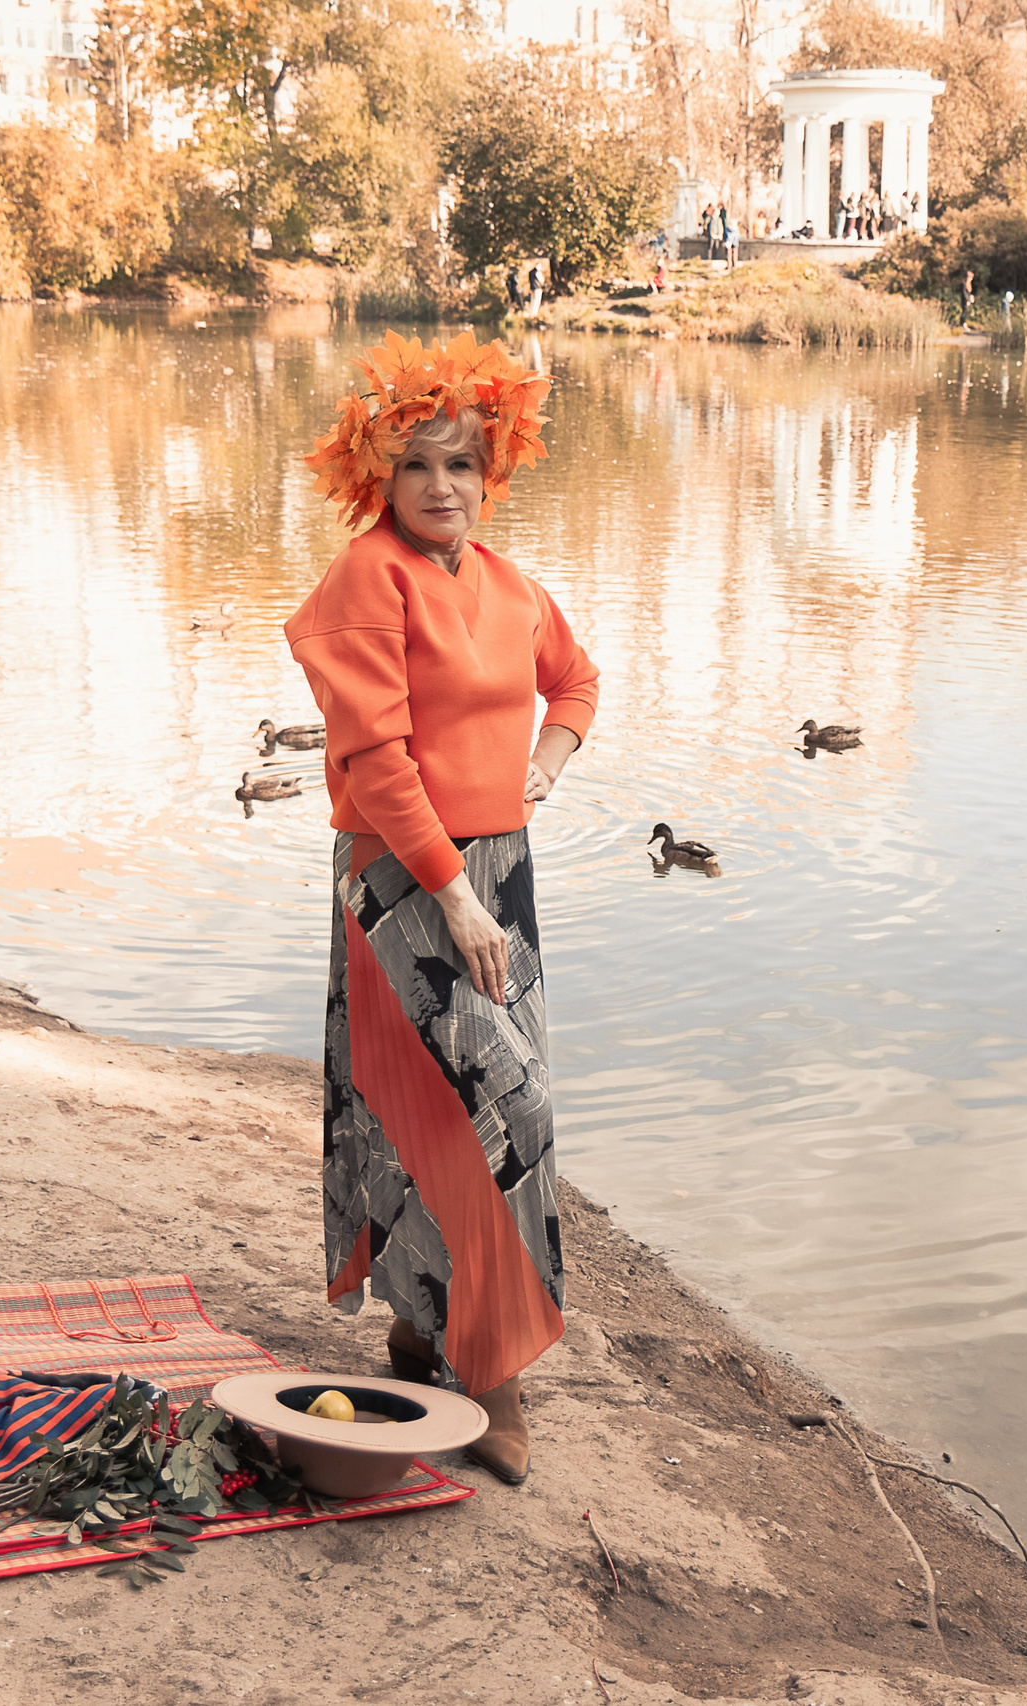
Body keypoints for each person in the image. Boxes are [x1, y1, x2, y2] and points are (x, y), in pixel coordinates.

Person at [289, 333, 599, 1486]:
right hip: (403, 877)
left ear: (491, 470)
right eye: (418, 465)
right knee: (492, 1114)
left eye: (461, 465)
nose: (440, 487)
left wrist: (546, 765)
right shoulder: (367, 577)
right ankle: (492, 1367)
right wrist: (453, 893)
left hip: (498, 867)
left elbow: (576, 679)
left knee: (474, 1105)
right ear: (381, 473)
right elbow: (372, 758)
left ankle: (425, 1330)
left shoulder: (510, 585)